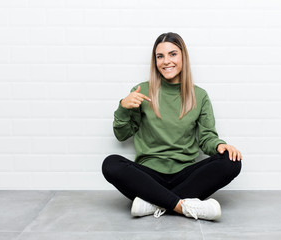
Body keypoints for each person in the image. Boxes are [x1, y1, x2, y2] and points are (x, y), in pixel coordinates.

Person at [102, 32, 242, 221]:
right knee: (111, 164)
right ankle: (183, 206)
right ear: (155, 61)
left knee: (232, 161)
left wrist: (219, 146)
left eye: (173, 54)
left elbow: (207, 137)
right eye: (160, 56)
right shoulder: (141, 91)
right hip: (149, 175)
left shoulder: (199, 95)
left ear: (183, 56)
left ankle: (153, 203)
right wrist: (123, 107)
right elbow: (122, 134)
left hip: (185, 174)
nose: (166, 61)